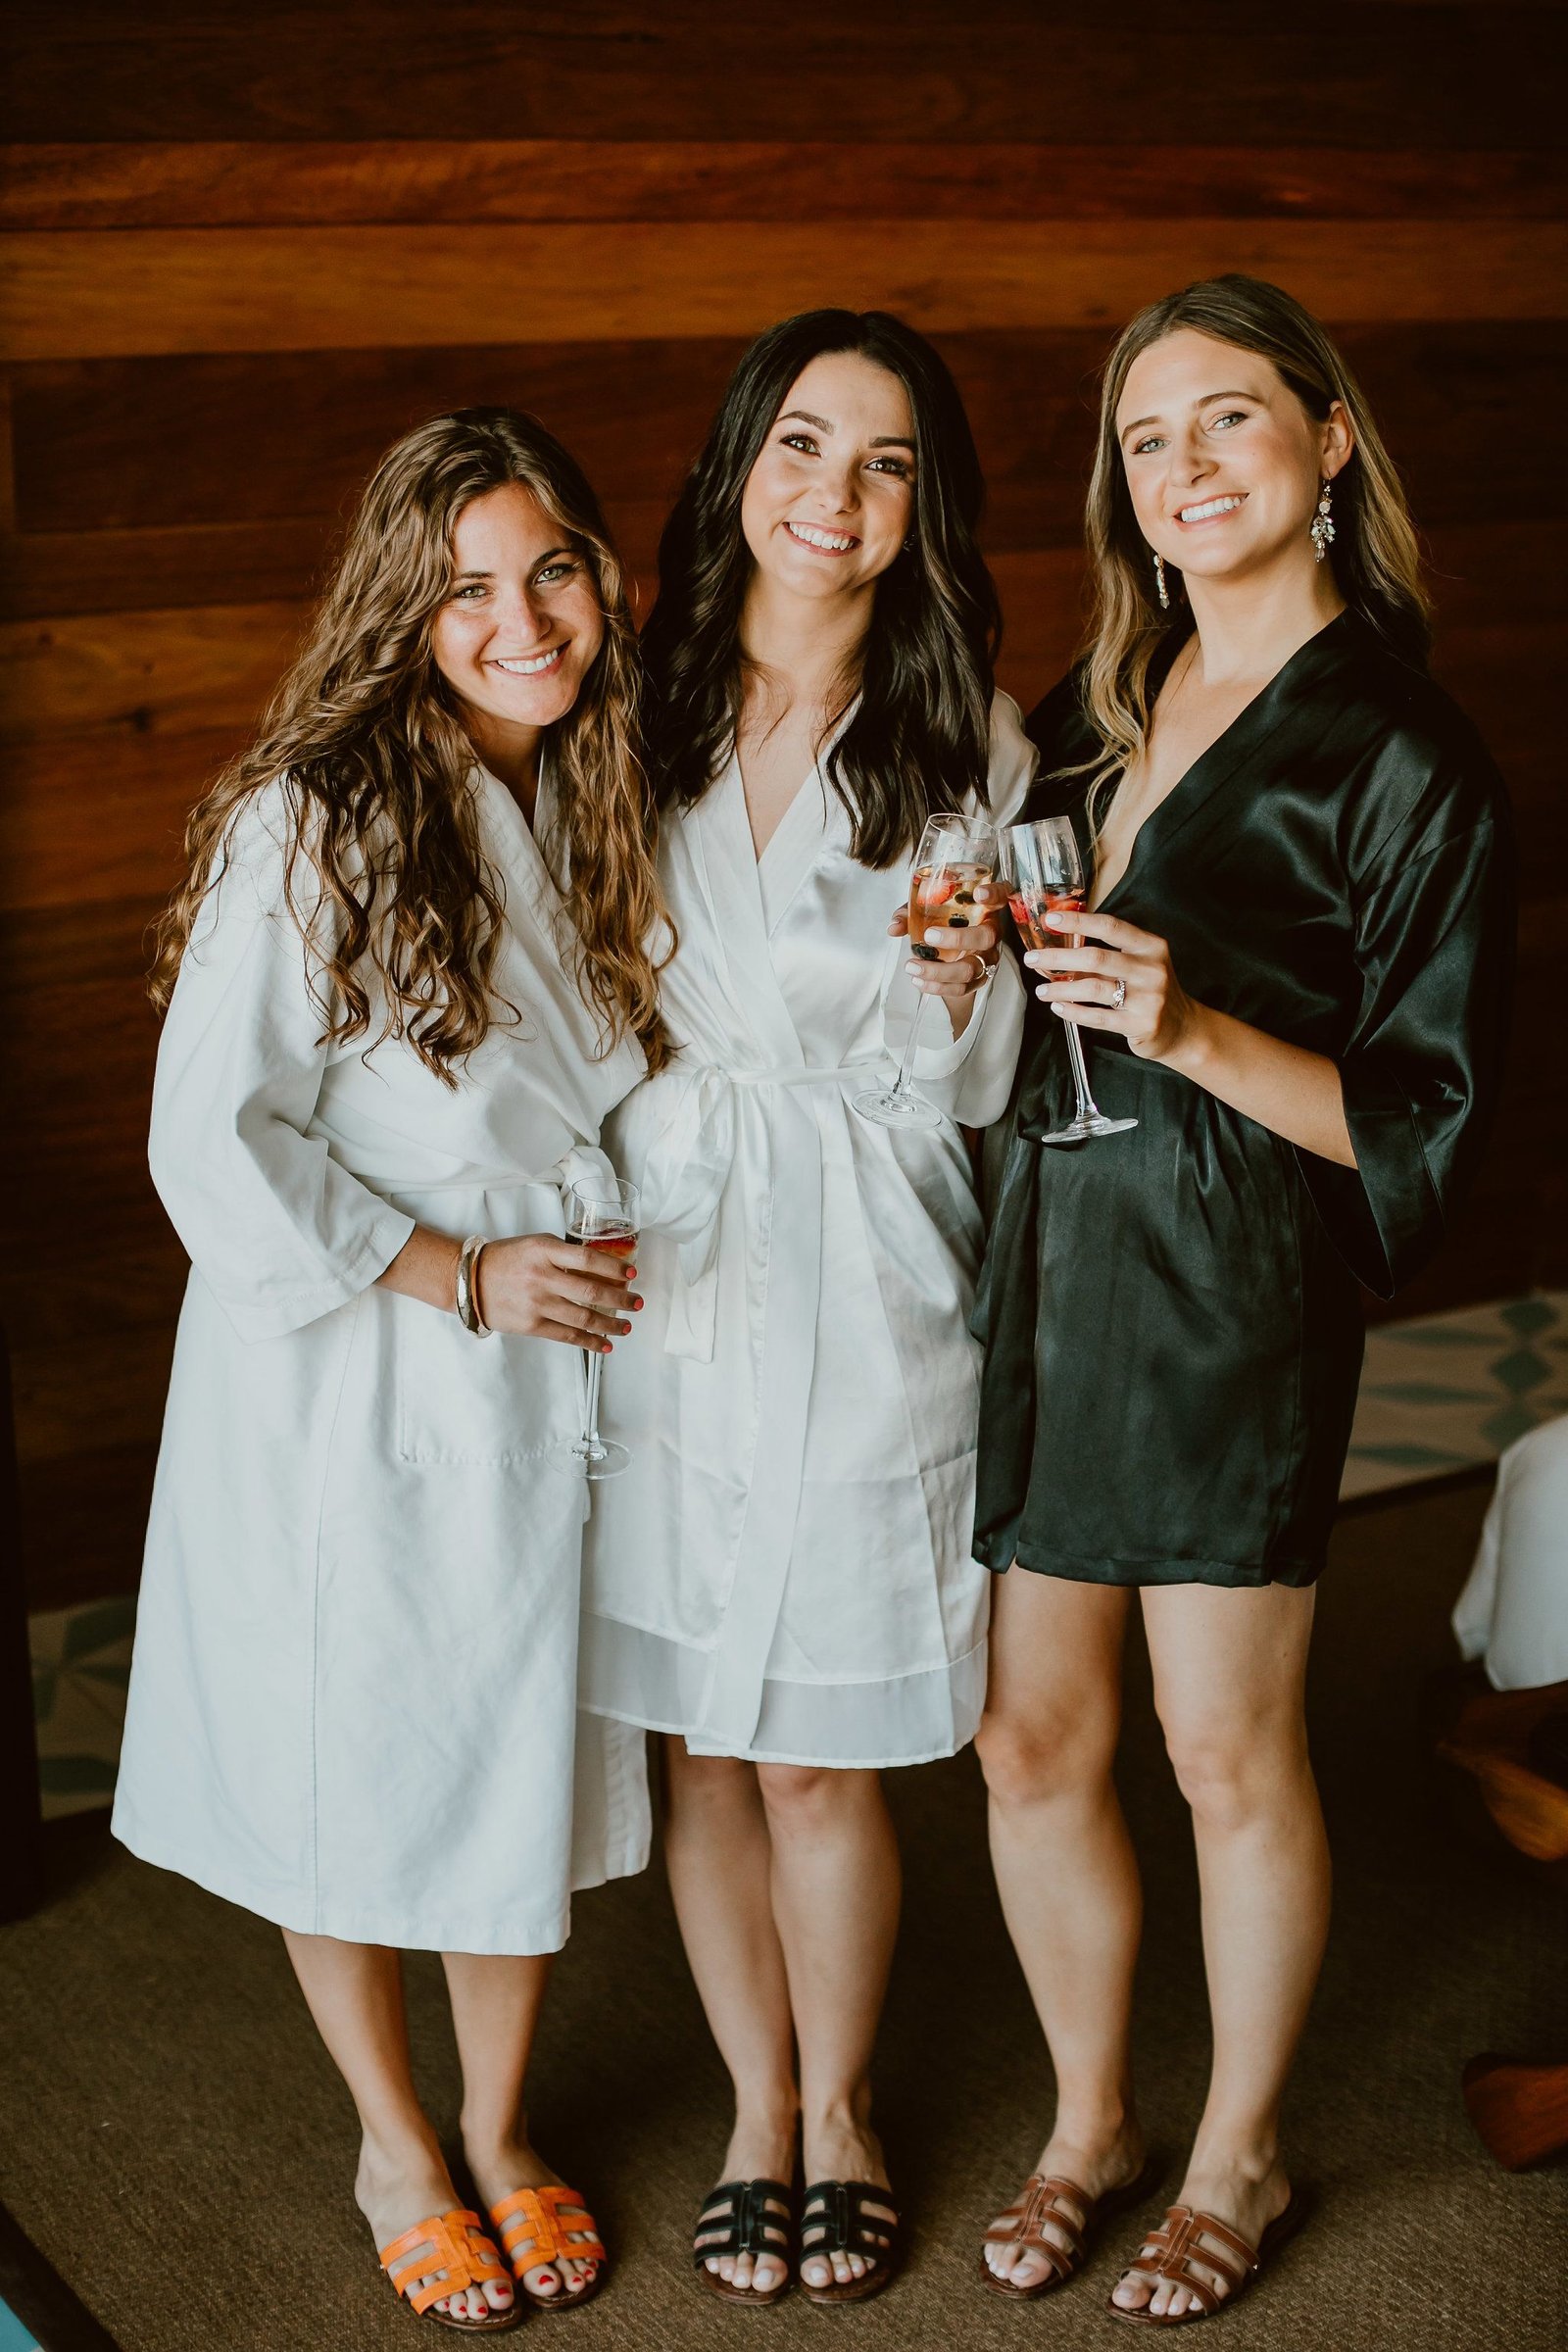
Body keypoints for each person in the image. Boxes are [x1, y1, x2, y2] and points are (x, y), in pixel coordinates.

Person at [969, 275, 1513, 2327]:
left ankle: (1238, 2151)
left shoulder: (1399, 752)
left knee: (1219, 1754)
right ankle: (1087, 2119)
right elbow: (1028, 970)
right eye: (1140, 439)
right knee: (1028, 1741)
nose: (1181, 469)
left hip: (1224, 1283)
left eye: (1223, 422)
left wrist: (1186, 1022)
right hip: (1048, 1255)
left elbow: (1419, 1128)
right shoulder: (1090, 704)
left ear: (1326, 443)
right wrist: (970, 975)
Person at [113, 410, 668, 2333]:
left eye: (551, 571)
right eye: (464, 590)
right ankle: (391, 2138)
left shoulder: (598, 788)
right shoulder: (317, 816)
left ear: (599, 575)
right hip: (363, 1363)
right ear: (400, 612)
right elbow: (210, 1138)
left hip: (548, 1362)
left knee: (515, 1754)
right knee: (352, 1756)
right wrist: (449, 1269)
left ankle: (503, 2123)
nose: (521, 620)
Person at [578, 310, 1033, 2305]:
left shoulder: (971, 741)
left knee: (813, 1749)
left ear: (919, 512)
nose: (832, 494)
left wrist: (958, 998)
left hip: (864, 1257)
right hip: (669, 1257)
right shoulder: (634, 703)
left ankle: (837, 2106)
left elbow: (989, 1066)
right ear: (738, 464)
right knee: (697, 1733)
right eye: (800, 443)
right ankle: (749, 2101)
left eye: (884, 462)